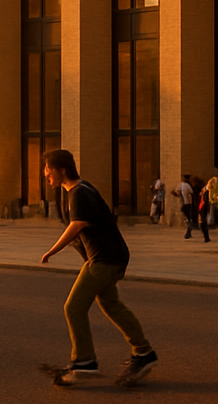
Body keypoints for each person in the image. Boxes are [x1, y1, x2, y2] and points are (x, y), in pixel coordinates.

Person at [38, 149, 157, 387]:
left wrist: (52, 251)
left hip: (104, 259)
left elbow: (77, 224)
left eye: (48, 169)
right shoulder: (81, 190)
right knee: (111, 304)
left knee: (73, 307)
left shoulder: (79, 193)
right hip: (108, 257)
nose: (45, 174)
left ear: (62, 170)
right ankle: (143, 353)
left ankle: (84, 362)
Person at [193, 175, 212, 243]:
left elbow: (205, 200)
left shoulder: (206, 191)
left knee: (203, 222)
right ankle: (206, 236)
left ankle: (206, 237)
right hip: (201, 206)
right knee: (202, 222)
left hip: (203, 207)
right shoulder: (204, 190)